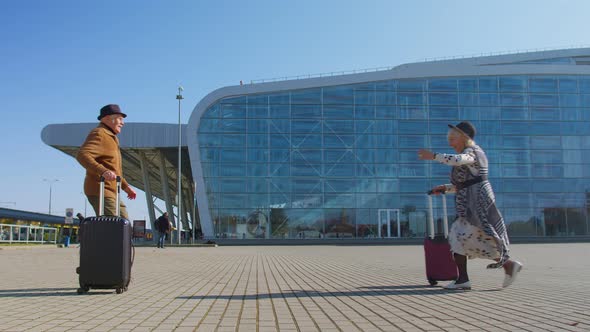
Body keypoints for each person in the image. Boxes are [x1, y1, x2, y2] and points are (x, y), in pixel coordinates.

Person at [418, 121, 523, 290]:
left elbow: (460, 161)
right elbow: (466, 183)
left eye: (453, 139)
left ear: (464, 138)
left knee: (462, 236)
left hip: (477, 204)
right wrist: (446, 188)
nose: (450, 143)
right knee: (465, 238)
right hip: (470, 203)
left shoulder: (472, 152)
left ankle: (503, 266)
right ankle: (467, 278)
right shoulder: (469, 154)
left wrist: (434, 156)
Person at [76, 104, 136, 219]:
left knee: (124, 223)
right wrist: (103, 171)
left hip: (113, 191)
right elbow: (82, 155)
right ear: (108, 118)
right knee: (114, 226)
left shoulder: (112, 137)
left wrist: (126, 187)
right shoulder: (100, 133)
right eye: (120, 118)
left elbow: (113, 169)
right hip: (101, 189)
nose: (122, 123)